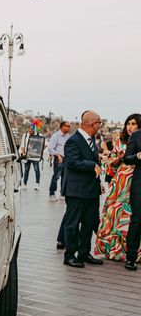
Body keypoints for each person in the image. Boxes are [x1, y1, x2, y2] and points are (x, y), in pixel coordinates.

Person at [94, 115, 141, 261]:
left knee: (132, 216)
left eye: (133, 124)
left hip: (135, 178)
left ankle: (132, 251)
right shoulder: (120, 142)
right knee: (115, 214)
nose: (130, 127)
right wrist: (120, 157)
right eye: (128, 123)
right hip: (121, 180)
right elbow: (109, 163)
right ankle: (115, 249)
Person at [61, 110, 104, 268]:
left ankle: (84, 253)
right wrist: (92, 165)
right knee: (72, 224)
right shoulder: (74, 141)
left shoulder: (91, 140)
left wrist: (98, 182)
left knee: (89, 223)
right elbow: (72, 162)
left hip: (91, 191)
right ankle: (70, 255)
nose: (100, 125)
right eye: (99, 122)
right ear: (93, 124)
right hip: (76, 191)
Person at [123, 121, 141, 271]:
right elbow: (127, 158)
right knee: (137, 221)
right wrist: (138, 155)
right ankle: (131, 258)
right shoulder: (136, 136)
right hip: (139, 185)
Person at [48, 121, 71, 201]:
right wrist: (58, 155)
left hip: (67, 159)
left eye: (69, 126)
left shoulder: (68, 136)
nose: (68, 128)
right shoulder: (56, 136)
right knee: (56, 176)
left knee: (65, 177)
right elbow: (50, 148)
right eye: (66, 126)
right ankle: (52, 193)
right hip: (59, 158)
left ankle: (62, 193)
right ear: (62, 126)